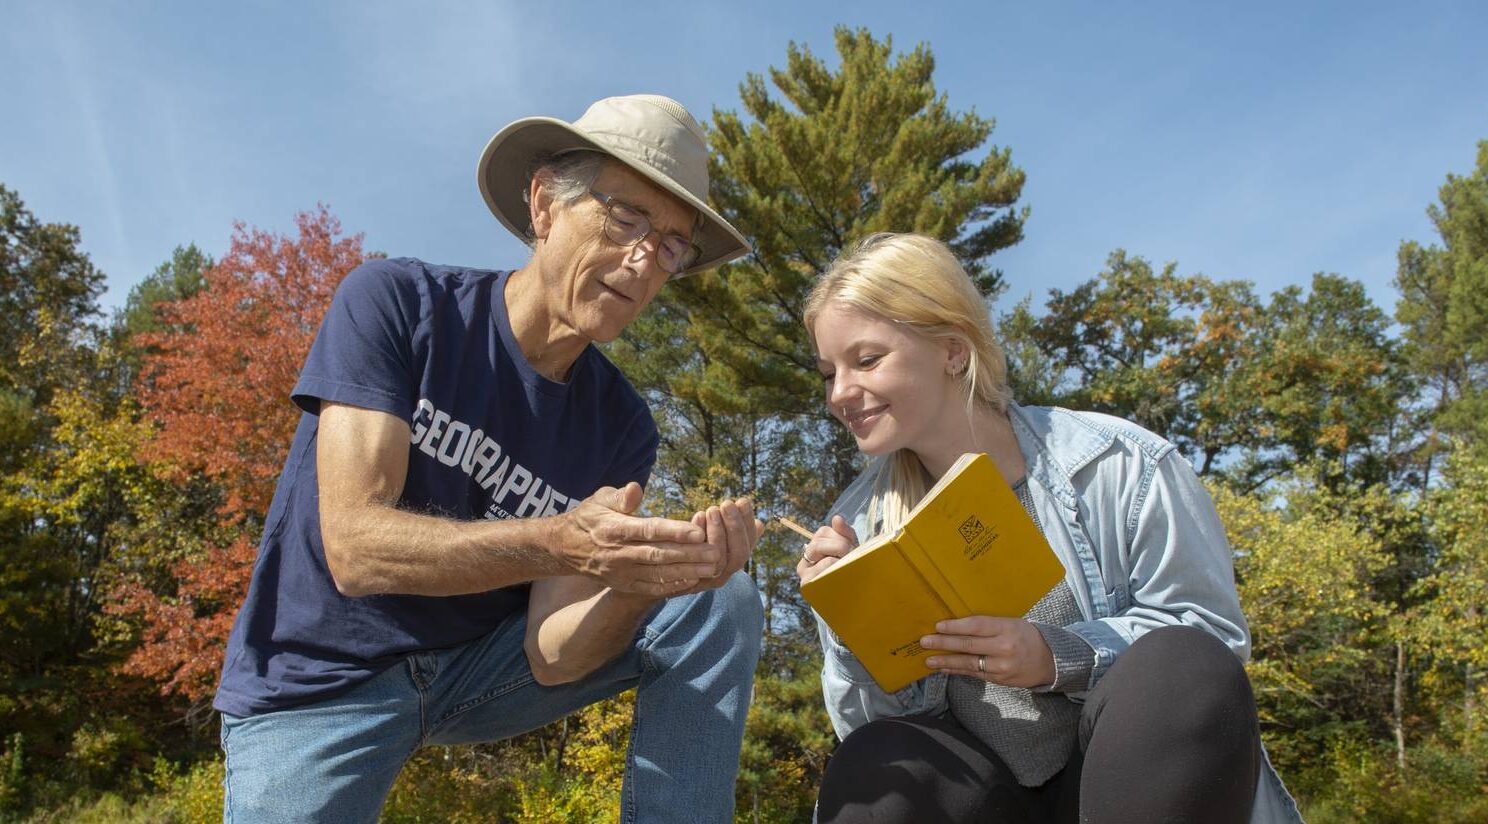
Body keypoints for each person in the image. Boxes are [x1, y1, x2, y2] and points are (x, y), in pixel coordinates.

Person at [213, 94, 766, 824]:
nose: (642, 261)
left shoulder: (623, 425)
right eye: (625, 217)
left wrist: (642, 582)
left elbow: (553, 657)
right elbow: (355, 550)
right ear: (544, 205)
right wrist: (561, 541)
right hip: (318, 680)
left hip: (476, 673)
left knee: (719, 602)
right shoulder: (397, 304)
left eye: (670, 245)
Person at [795, 233, 1303, 823]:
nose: (839, 393)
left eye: (866, 360)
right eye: (828, 372)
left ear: (953, 350)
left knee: (1180, 665)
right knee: (874, 760)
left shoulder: (1120, 464)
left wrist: (1058, 656)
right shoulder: (858, 524)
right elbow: (873, 727)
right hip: (983, 799)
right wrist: (851, 623)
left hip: (1131, 786)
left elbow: (1210, 642)